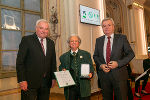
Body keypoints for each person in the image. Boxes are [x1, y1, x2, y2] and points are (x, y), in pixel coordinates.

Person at [93, 18, 135, 100]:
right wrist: (101, 65)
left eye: (109, 25)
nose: (106, 27)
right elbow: (95, 56)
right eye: (104, 26)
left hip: (119, 76)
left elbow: (131, 54)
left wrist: (118, 63)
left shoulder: (122, 38)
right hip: (104, 76)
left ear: (113, 27)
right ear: (102, 28)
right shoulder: (98, 40)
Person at [16, 19, 56, 100]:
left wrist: (53, 77)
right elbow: (20, 62)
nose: (44, 31)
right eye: (41, 28)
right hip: (29, 83)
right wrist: (22, 80)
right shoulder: (27, 40)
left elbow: (53, 62)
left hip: (46, 82)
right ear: (36, 28)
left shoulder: (51, 43)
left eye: (46, 29)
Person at [59, 34, 94, 100]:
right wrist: (62, 69)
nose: (74, 42)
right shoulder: (63, 57)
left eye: (76, 41)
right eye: (71, 41)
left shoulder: (86, 54)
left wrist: (91, 74)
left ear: (79, 43)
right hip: (70, 87)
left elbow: (91, 67)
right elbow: (61, 67)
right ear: (69, 43)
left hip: (84, 86)